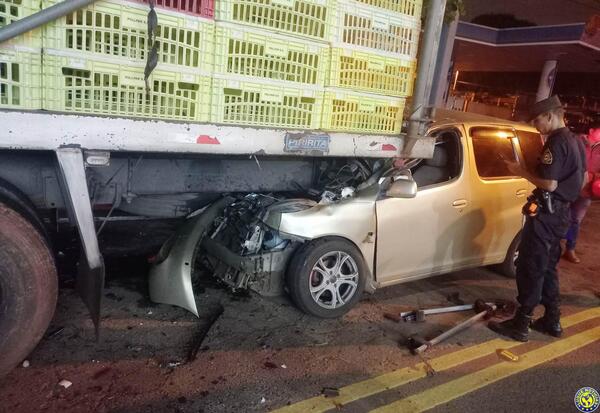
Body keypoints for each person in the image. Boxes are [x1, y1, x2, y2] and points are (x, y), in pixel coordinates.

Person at [488, 95, 586, 342]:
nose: (535, 125)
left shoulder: (556, 142)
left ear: (551, 116)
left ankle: (521, 323)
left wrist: (520, 172)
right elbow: (582, 179)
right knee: (548, 267)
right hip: (561, 214)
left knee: (531, 266)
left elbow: (550, 184)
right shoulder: (576, 141)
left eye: (537, 120)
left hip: (547, 214)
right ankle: (552, 320)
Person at [562, 127, 600, 263]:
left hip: (586, 192)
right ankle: (552, 245)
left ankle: (569, 249)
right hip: (568, 187)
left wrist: (593, 176)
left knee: (575, 221)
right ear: (591, 130)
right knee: (560, 216)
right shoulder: (576, 142)